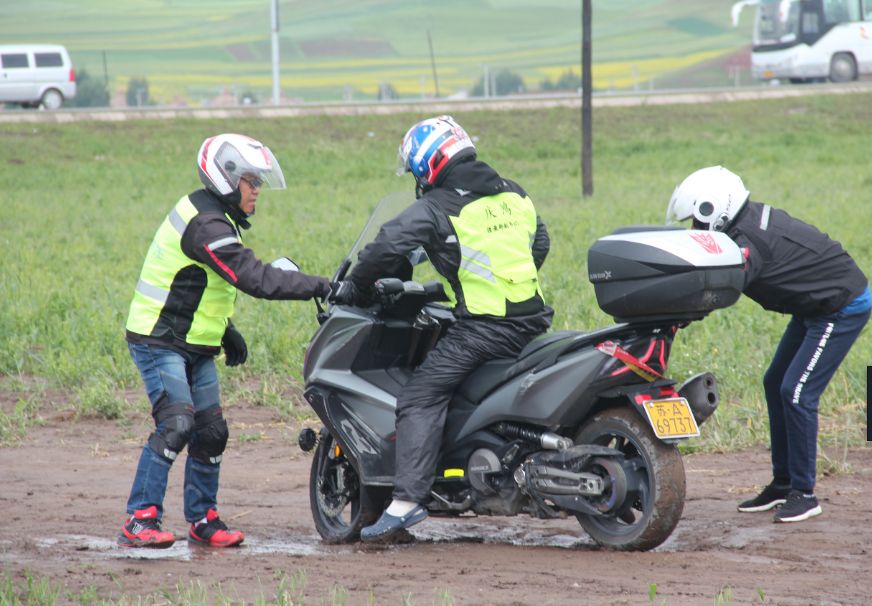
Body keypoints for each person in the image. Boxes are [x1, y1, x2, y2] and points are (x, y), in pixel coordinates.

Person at [331, 115, 553, 542]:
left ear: (429, 164)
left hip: (486, 329)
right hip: (533, 320)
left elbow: (386, 247)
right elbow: (538, 242)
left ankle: (406, 502)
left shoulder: (438, 206)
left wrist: (356, 288)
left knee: (420, 394)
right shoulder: (514, 193)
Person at [119, 133, 331, 548]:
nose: (258, 191)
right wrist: (323, 285)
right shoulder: (207, 224)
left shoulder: (216, 215)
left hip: (191, 339)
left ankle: (202, 520)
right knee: (177, 422)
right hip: (158, 338)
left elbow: (200, 280)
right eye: (252, 182)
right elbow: (254, 277)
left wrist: (225, 330)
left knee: (212, 431)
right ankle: (139, 519)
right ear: (226, 178)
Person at [666, 165, 870, 523]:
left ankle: (804, 494)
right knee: (774, 382)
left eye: (697, 221)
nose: (695, 230)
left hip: (840, 306)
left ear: (716, 210)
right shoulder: (743, 225)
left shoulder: (747, 243)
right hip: (813, 306)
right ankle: (783, 484)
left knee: (797, 392)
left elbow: (719, 291)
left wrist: (678, 315)